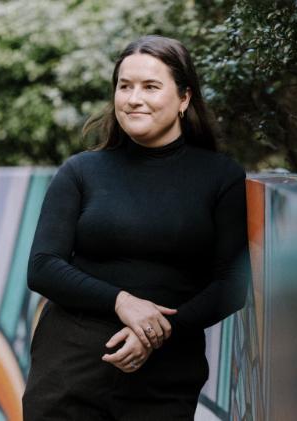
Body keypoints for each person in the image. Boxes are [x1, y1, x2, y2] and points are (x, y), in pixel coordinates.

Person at [22, 35, 250, 420]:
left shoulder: (220, 178)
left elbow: (230, 286)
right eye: (124, 86)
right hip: (68, 374)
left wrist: (157, 331)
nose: (133, 98)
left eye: (150, 86)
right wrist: (123, 302)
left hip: (164, 379)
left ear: (184, 98)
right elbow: (43, 266)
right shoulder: (81, 172)